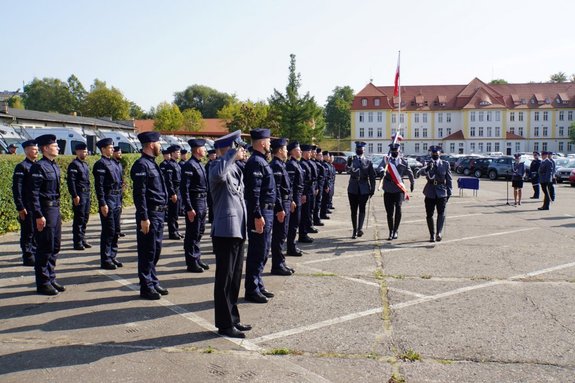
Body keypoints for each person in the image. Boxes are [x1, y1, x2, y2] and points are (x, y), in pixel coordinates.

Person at [209, 130, 251, 339]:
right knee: (224, 279)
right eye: (239, 146)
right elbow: (218, 175)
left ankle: (233, 319)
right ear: (229, 148)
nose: (243, 150)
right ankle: (224, 324)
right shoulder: (217, 166)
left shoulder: (235, 169)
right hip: (225, 231)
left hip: (238, 230)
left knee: (235, 279)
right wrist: (230, 154)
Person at [131, 131, 169, 300]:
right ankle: (146, 286)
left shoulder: (153, 164)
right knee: (147, 250)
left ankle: (152, 280)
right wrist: (144, 217)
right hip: (150, 214)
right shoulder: (141, 165)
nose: (161, 146)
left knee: (156, 250)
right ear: (152, 144)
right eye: (159, 143)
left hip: (159, 213)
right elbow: (140, 194)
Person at [243, 128, 276, 304]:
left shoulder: (261, 161)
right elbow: (253, 192)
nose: (270, 143)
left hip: (266, 211)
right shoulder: (256, 162)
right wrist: (257, 214)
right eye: (269, 141)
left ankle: (258, 284)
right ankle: (252, 289)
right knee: (257, 251)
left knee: (263, 251)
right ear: (262, 143)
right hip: (261, 212)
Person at [30, 134, 64, 295]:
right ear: (45, 148)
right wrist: (38, 215)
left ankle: (50, 277)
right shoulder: (39, 167)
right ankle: (43, 282)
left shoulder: (54, 165)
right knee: (45, 246)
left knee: (55, 245)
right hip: (45, 210)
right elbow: (33, 193)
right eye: (54, 145)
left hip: (55, 210)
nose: (57, 147)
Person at [93, 138, 123, 269]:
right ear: (103, 149)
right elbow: (99, 186)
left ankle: (112, 256)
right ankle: (105, 258)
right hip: (108, 198)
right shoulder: (100, 164)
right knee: (108, 230)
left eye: (112, 147)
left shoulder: (115, 163)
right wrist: (102, 202)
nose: (112, 149)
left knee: (116, 230)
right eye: (110, 147)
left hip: (117, 199)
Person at [181, 139, 210, 273]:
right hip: (195, 202)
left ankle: (197, 258)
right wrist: (189, 208)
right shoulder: (189, 165)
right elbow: (184, 189)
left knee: (199, 231)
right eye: (203, 148)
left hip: (202, 202)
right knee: (192, 233)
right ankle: (191, 261)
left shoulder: (199, 165)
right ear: (198, 150)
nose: (205, 150)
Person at [377, 143, 414, 240]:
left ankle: (396, 230)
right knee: (389, 212)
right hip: (388, 189)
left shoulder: (403, 162)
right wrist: (382, 171)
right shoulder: (386, 160)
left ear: (399, 151)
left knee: (398, 209)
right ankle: (390, 231)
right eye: (392, 152)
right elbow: (380, 167)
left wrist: (412, 183)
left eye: (396, 152)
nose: (394, 153)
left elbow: (410, 172)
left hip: (398, 190)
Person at [269, 138, 295, 276]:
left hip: (285, 202)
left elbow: (286, 187)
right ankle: (277, 265)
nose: (286, 151)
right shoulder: (275, 166)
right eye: (285, 149)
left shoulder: (281, 165)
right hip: (281, 205)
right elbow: (276, 190)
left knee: (282, 235)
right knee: (279, 236)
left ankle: (281, 262)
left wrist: (290, 200)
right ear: (279, 150)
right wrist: (279, 208)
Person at [12, 140, 38, 266]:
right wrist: (20, 206)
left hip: (36, 204)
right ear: (27, 150)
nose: (36, 151)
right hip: (27, 205)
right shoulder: (21, 167)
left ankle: (35, 251)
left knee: (37, 230)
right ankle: (28, 255)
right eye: (33, 149)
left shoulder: (37, 165)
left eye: (37, 149)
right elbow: (17, 189)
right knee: (28, 231)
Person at [419, 146, 452, 242]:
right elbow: (421, 173)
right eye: (433, 155)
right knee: (429, 214)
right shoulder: (427, 163)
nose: (435, 156)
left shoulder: (445, 164)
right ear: (431, 155)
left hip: (442, 192)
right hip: (430, 191)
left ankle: (439, 233)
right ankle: (432, 234)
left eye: (437, 155)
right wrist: (428, 167)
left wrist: (449, 192)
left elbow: (449, 179)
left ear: (440, 154)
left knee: (441, 213)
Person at [346, 141, 376, 239]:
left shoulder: (368, 161)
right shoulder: (351, 159)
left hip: (364, 188)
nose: (359, 150)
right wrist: (348, 165)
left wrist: (372, 188)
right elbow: (347, 170)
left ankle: (360, 229)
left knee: (362, 208)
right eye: (358, 149)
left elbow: (372, 176)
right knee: (353, 210)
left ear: (364, 150)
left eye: (361, 149)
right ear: (356, 150)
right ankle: (354, 230)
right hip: (353, 188)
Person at [67, 142, 92, 250]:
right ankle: (77, 242)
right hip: (80, 194)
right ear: (77, 152)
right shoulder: (74, 165)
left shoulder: (85, 164)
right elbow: (71, 181)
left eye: (86, 151)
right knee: (79, 218)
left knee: (85, 217)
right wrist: (75, 195)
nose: (85, 153)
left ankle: (83, 239)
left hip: (86, 193)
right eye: (83, 151)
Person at [286, 141, 305, 257]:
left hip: (298, 196)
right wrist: (292, 199)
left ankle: (292, 246)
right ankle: (291, 248)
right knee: (292, 225)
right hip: (294, 198)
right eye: (298, 150)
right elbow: (290, 184)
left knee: (295, 224)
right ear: (292, 151)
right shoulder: (291, 165)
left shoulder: (296, 164)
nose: (301, 152)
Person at [161, 145, 183, 240]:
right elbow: (168, 181)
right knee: (172, 213)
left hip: (178, 190)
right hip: (173, 190)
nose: (179, 154)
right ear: (172, 153)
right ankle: (172, 232)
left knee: (176, 213)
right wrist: (172, 193)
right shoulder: (169, 165)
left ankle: (176, 230)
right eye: (177, 152)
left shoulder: (176, 164)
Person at [298, 144, 316, 243]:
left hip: (309, 191)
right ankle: (302, 235)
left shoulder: (307, 163)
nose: (310, 153)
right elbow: (303, 181)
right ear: (304, 153)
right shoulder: (302, 164)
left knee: (308, 213)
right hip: (306, 192)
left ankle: (305, 233)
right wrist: (304, 193)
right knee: (304, 214)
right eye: (309, 152)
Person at [112, 146, 126, 237]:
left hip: (119, 191)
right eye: (119, 152)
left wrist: (123, 184)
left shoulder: (119, 164)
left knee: (118, 211)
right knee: (113, 213)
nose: (120, 154)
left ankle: (118, 230)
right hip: (113, 192)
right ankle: (114, 231)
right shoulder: (111, 163)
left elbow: (120, 177)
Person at [312, 147, 325, 227]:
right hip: (316, 186)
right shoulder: (315, 164)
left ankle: (316, 218)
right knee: (316, 204)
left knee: (318, 203)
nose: (321, 157)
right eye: (319, 155)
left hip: (319, 185)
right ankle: (316, 219)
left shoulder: (318, 164)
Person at [320, 150, 333, 219]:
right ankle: (323, 213)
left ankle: (324, 212)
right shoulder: (324, 165)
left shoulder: (328, 164)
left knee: (327, 199)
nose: (329, 157)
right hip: (326, 184)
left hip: (329, 183)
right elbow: (325, 176)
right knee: (324, 200)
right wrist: (326, 186)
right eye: (327, 156)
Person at [205, 149, 217, 224]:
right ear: (209, 156)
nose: (214, 156)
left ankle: (212, 218)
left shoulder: (214, 163)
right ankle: (211, 219)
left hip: (213, 187)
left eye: (215, 154)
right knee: (211, 204)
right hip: (210, 187)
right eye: (212, 155)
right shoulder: (209, 165)